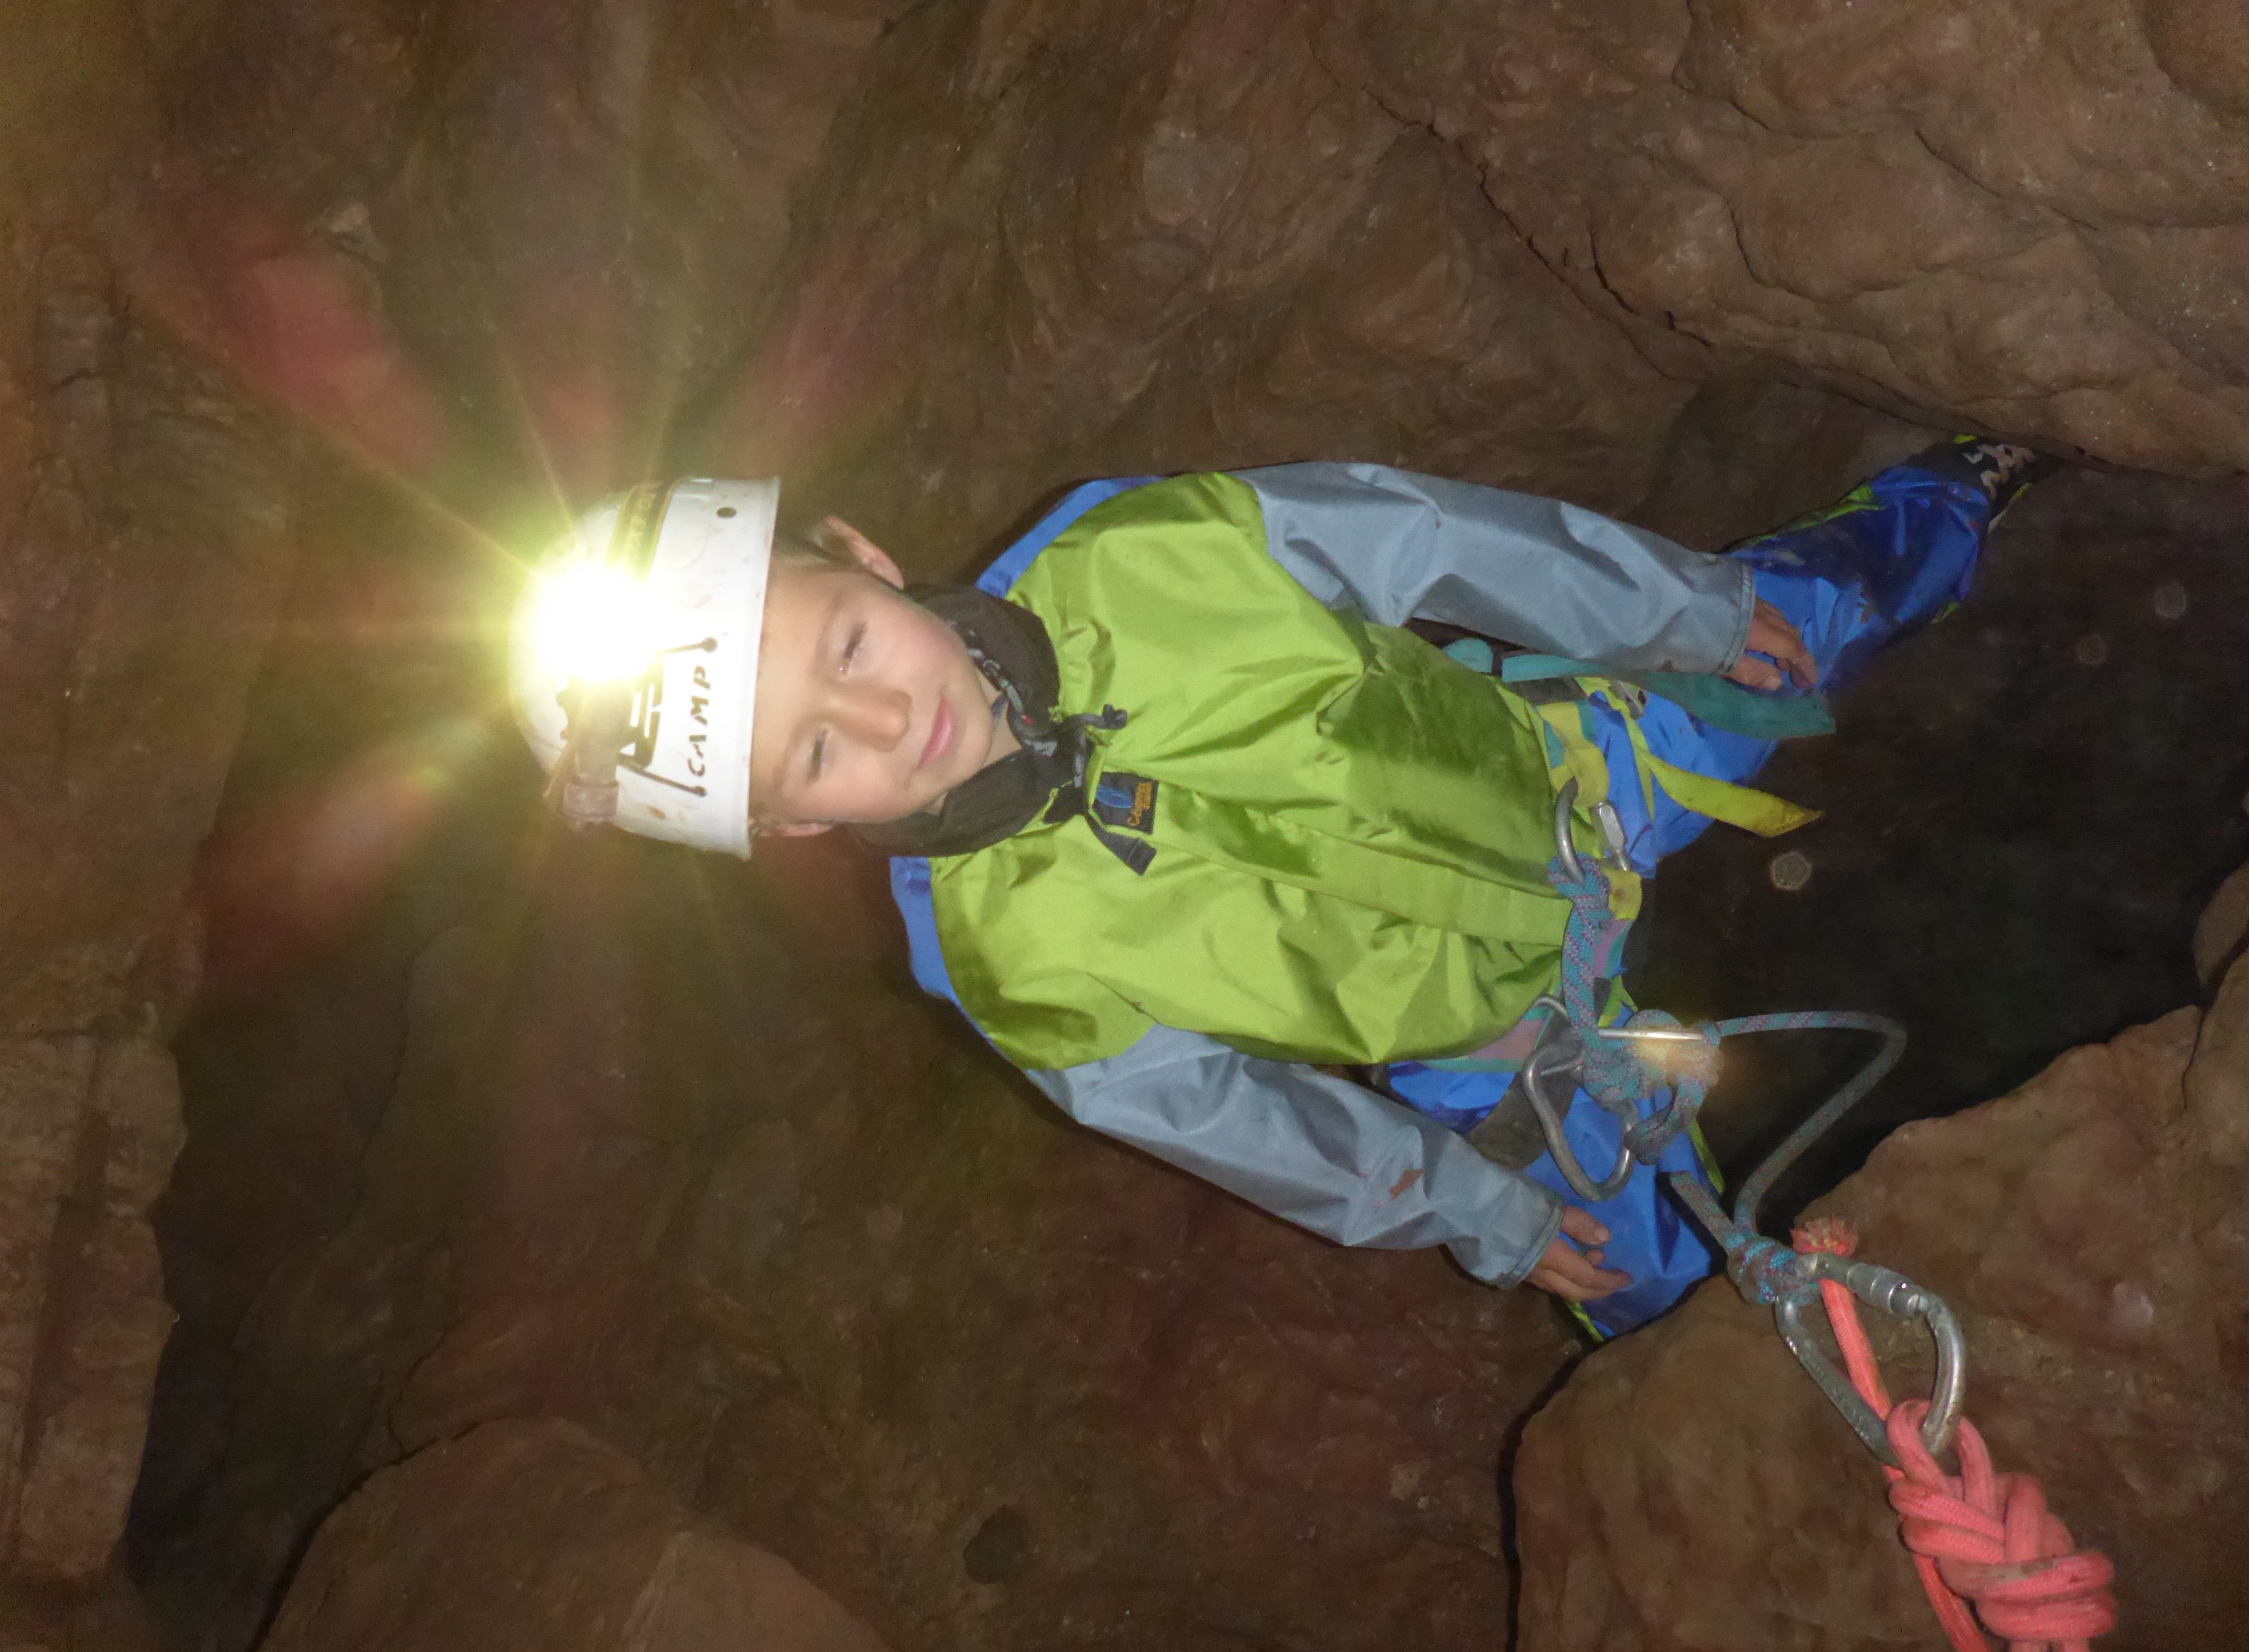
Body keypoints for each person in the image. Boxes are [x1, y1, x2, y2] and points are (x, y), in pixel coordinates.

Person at [510, 441, 2050, 1335]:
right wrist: (1480, 1217)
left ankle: (1955, 503)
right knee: (1633, 1274)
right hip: (1499, 1036)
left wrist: (1692, 620)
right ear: (791, 830)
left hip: (1570, 776)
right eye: (810, 758)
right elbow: (1243, 1123)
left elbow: (1452, 543)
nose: (877, 721)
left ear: (862, 554)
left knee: (1805, 622)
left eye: (845, 646)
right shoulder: (1015, 968)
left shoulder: (1153, 555)